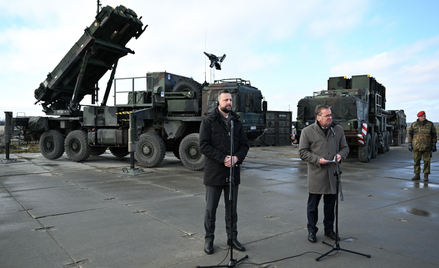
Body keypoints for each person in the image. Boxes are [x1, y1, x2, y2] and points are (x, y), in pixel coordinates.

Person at [199, 89, 250, 255]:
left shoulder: (236, 121)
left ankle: (232, 238)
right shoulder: (208, 121)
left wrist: (236, 158)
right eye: (226, 100)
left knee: (232, 210)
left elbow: (244, 145)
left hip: (232, 173)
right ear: (218, 102)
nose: (229, 103)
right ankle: (209, 240)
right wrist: (223, 158)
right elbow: (204, 145)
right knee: (210, 210)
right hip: (214, 172)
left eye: (230, 100)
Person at [298, 105, 349, 243]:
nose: (330, 118)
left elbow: (345, 147)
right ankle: (312, 231)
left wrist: (340, 156)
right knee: (312, 207)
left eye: (330, 115)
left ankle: (329, 230)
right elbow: (302, 152)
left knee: (330, 206)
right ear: (318, 117)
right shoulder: (307, 131)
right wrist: (317, 160)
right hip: (317, 174)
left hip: (333, 174)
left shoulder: (337, 130)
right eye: (327, 116)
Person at [408, 111, 437, 181]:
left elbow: (434, 135)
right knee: (416, 161)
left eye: (424, 116)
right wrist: (409, 144)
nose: (423, 117)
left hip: (427, 146)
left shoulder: (430, 124)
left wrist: (434, 144)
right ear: (418, 117)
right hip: (417, 147)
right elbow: (410, 135)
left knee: (427, 162)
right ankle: (417, 175)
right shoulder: (414, 125)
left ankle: (426, 175)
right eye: (422, 116)